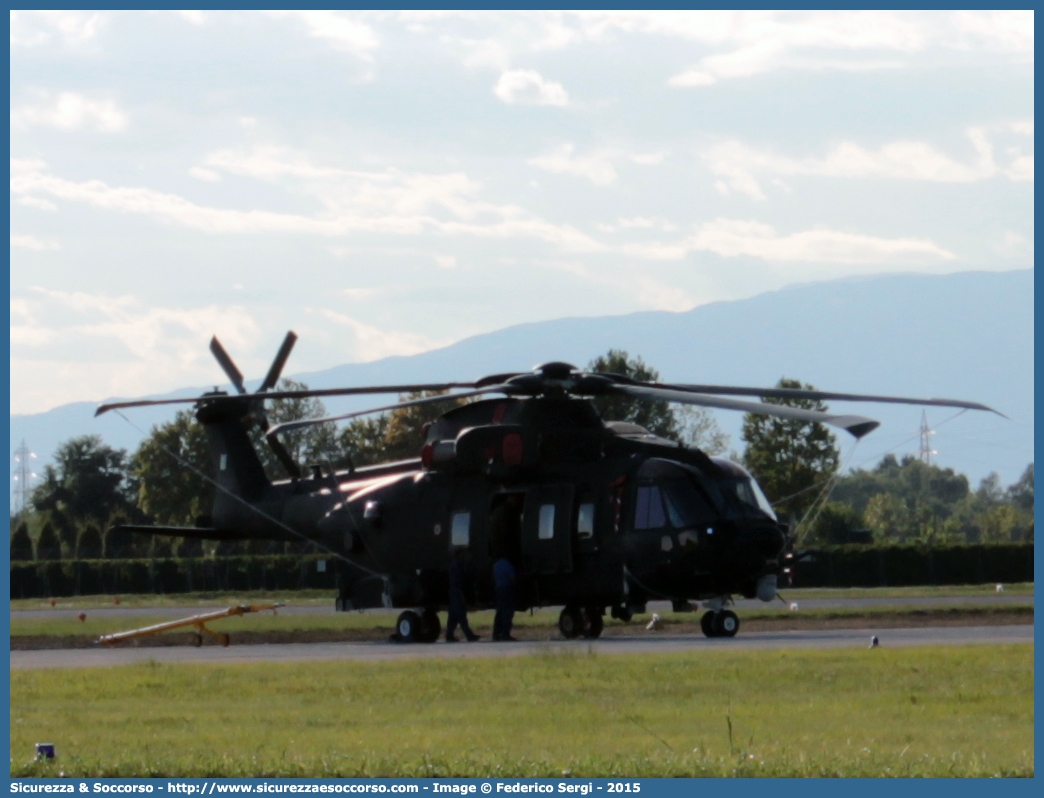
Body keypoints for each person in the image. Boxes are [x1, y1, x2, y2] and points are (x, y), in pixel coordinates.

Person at [445, 549, 480, 642]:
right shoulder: (458, 566)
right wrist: (462, 595)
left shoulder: (454, 565)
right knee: (461, 615)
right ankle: (469, 635)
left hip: (453, 593)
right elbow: (458, 582)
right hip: (457, 593)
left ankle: (449, 635)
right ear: (459, 554)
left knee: (453, 616)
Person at [492, 555, 517, 642]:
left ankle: (496, 634)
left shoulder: (496, 565)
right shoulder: (509, 565)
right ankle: (505, 634)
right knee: (508, 612)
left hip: (498, 589)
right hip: (507, 589)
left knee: (499, 612)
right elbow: (512, 579)